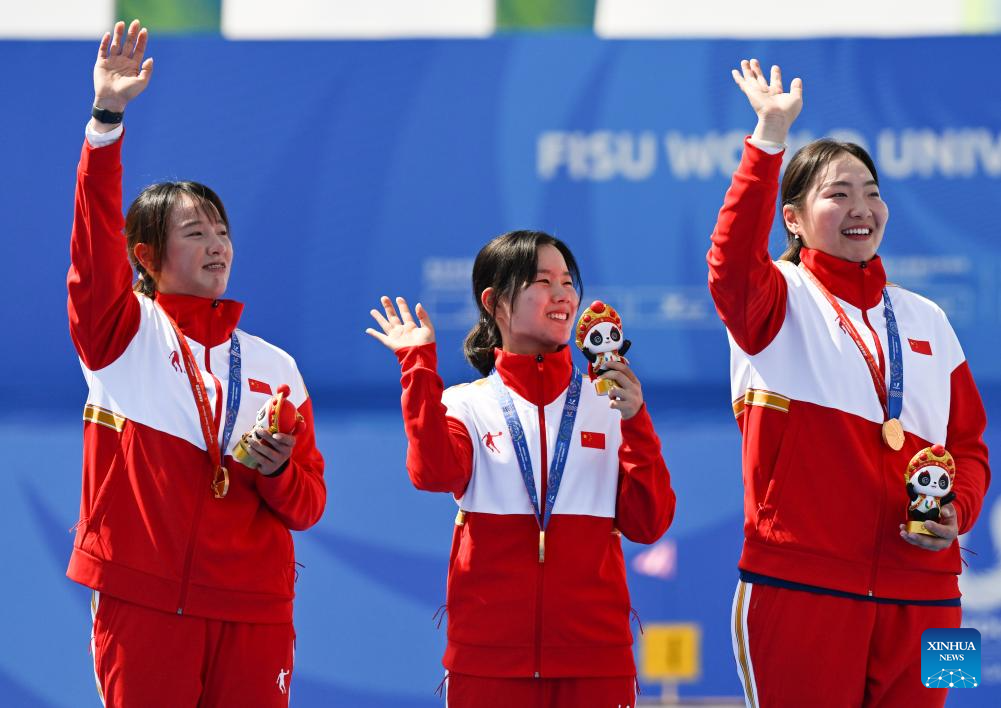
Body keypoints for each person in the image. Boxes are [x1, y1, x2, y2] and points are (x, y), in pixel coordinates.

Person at [708, 59, 991, 707]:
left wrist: (959, 509)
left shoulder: (929, 318)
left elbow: (969, 447)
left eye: (871, 191)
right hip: (803, 587)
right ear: (793, 218)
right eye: (837, 194)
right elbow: (728, 262)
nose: (861, 208)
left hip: (933, 597)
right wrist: (768, 139)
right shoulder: (774, 300)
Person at [66, 20, 326, 707]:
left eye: (222, 231)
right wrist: (106, 122)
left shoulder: (275, 367)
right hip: (146, 600)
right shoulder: (124, 335)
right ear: (147, 256)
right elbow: (93, 244)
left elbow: (308, 504)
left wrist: (277, 470)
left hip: (254, 609)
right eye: (195, 232)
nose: (217, 245)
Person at [367, 230, 676, 708]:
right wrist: (418, 367)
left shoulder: (610, 403)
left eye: (568, 282)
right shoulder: (467, 404)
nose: (563, 294)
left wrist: (636, 421)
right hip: (488, 662)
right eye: (542, 282)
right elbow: (433, 473)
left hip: (596, 662)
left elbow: (648, 522)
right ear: (495, 302)